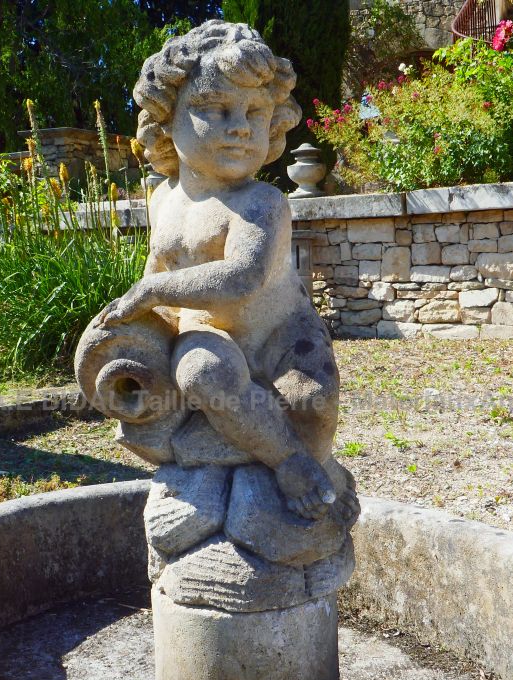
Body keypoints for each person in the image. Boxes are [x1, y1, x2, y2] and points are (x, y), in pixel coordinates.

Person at [98, 20, 344, 521]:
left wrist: (150, 290)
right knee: (202, 372)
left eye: (256, 113)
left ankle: (250, 440)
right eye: (214, 108)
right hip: (207, 330)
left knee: (314, 406)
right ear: (166, 122)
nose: (239, 127)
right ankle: (286, 461)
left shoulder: (262, 203)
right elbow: (161, 276)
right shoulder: (163, 199)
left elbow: (240, 279)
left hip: (281, 332)